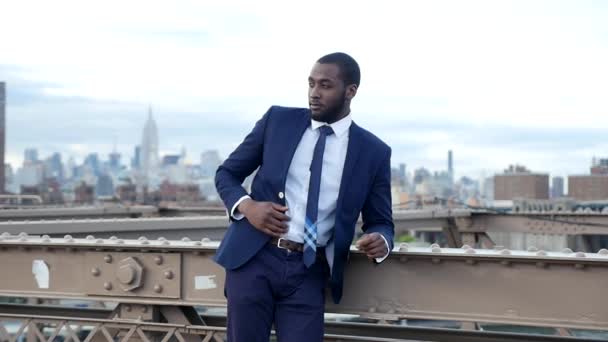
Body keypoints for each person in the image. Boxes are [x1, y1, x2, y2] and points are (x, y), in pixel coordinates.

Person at [214, 52, 394, 342]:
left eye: (325, 85)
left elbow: (382, 222)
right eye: (311, 84)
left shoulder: (373, 152)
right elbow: (226, 174)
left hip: (309, 270)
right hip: (253, 260)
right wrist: (248, 207)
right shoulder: (277, 121)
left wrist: (381, 241)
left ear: (351, 91)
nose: (314, 93)